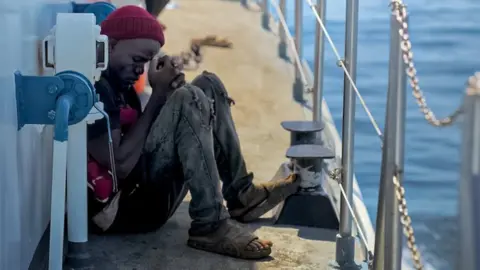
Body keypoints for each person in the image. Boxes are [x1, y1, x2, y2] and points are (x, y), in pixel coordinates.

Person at [87, 5, 299, 260]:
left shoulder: (123, 85)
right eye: (136, 60)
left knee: (208, 85)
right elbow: (118, 163)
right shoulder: (95, 90)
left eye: (145, 63)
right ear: (109, 46)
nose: (140, 71)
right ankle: (210, 225)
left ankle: (242, 195)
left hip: (142, 191)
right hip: (120, 211)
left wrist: (171, 99)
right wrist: (160, 97)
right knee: (188, 97)